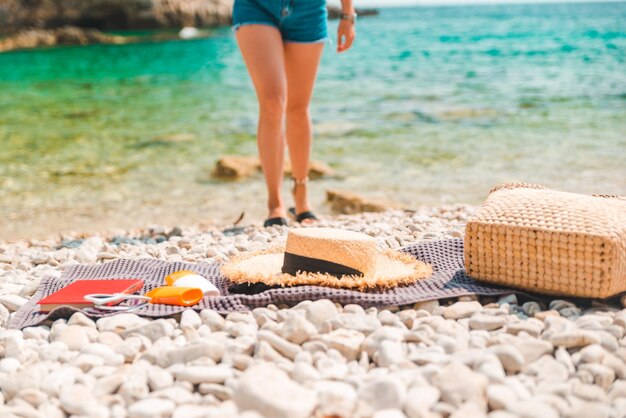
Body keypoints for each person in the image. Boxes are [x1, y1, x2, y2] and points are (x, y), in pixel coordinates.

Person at [232, 0, 356, 227]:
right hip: (255, 6)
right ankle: (274, 203)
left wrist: (347, 13)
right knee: (272, 102)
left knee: (298, 109)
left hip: (309, 9)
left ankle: (301, 199)